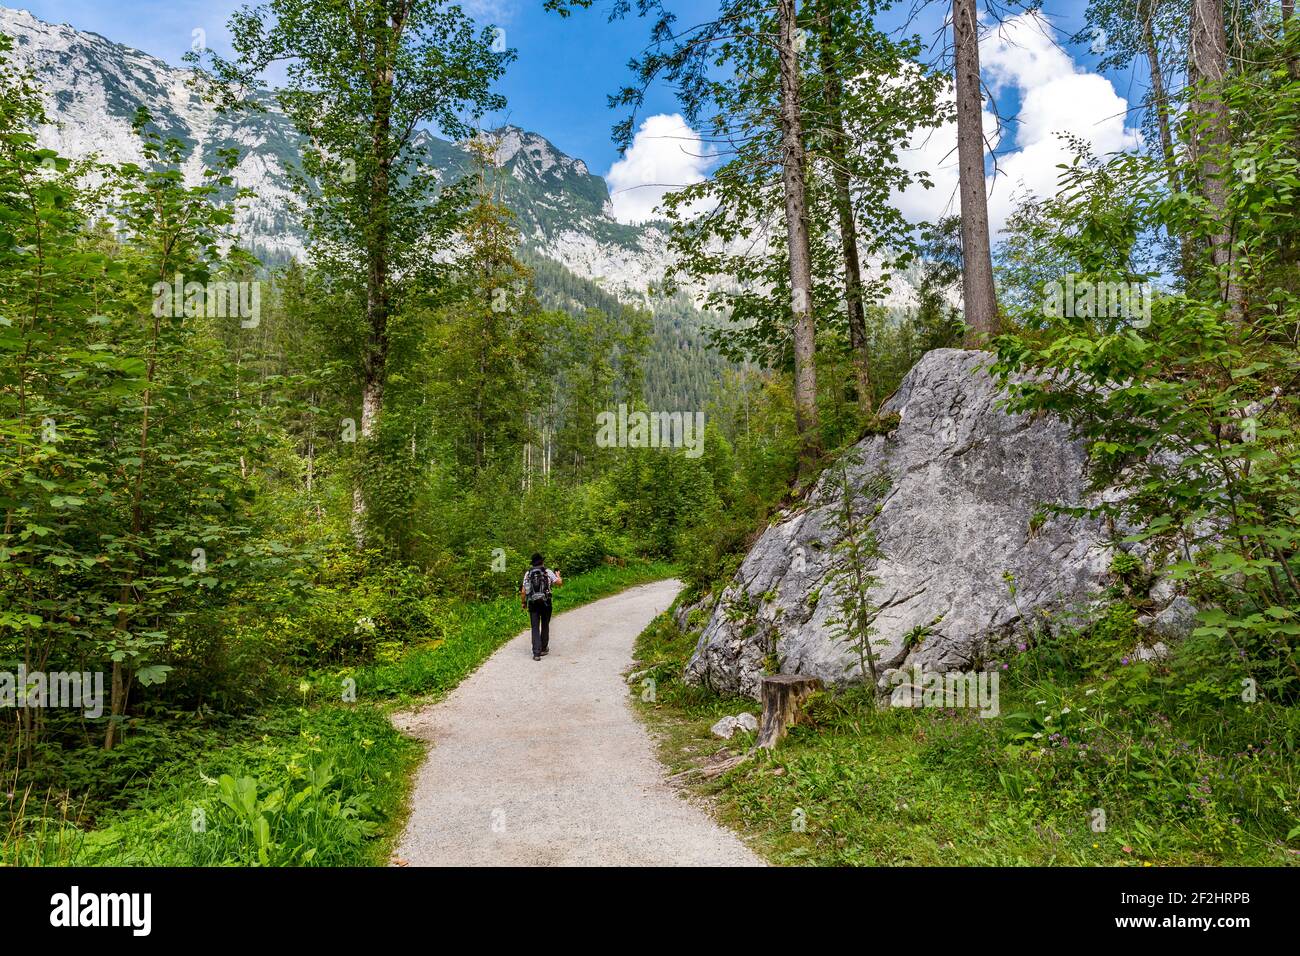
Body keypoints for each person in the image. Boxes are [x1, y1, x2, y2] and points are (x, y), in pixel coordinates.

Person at [521, 553, 562, 661]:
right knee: (545, 624)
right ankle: (544, 648)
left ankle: (536, 653)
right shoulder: (547, 572)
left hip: (533, 603)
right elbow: (559, 583)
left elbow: (523, 591)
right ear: (542, 562)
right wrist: (558, 575)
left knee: (535, 627)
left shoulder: (528, 573)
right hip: (546, 602)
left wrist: (523, 603)